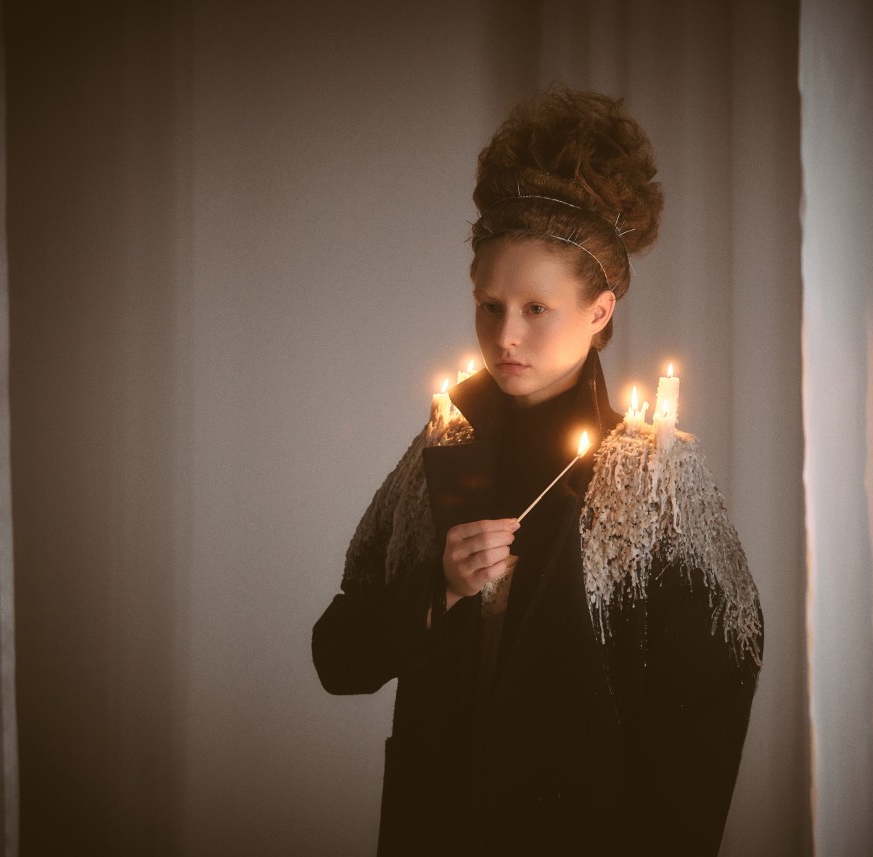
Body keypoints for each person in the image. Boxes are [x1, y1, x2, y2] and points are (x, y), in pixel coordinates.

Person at [312, 88, 762, 857]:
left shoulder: (655, 480)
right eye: (489, 305)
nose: (505, 336)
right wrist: (438, 590)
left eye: (535, 308)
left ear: (598, 312)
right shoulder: (439, 450)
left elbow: (709, 702)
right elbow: (337, 653)